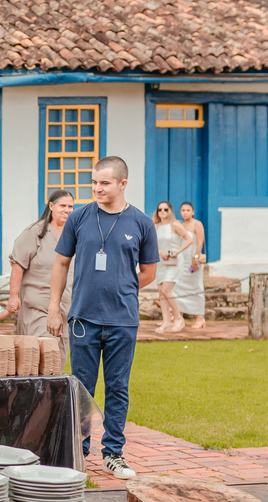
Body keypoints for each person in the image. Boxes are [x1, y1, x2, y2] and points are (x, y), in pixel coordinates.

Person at [48, 156, 158, 480]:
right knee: (81, 389)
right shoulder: (79, 217)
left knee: (118, 388)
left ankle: (113, 453)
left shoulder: (142, 223)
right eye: (94, 182)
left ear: (122, 184)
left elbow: (149, 272)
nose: (97, 188)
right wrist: (54, 307)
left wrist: (121, 287)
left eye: (104, 183)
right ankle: (77, 452)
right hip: (83, 317)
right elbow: (61, 264)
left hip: (123, 320)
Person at [8, 189, 74, 357]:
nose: (67, 210)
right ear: (51, 206)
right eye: (63, 206)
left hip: (66, 308)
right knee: (43, 352)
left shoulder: (74, 234)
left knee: (59, 357)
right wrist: (14, 296)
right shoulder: (35, 233)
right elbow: (18, 264)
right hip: (37, 305)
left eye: (71, 207)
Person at [151, 201, 193, 333]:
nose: (162, 212)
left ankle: (178, 318)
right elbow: (151, 244)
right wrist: (160, 253)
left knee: (166, 290)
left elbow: (189, 239)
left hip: (174, 261)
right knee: (161, 291)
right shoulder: (155, 226)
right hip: (160, 261)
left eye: (165, 209)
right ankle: (166, 321)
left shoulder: (175, 225)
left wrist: (178, 251)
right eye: (160, 209)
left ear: (170, 211)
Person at [174, 201, 207, 328]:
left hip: (193, 259)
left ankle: (200, 318)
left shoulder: (197, 224)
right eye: (183, 210)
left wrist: (196, 259)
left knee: (196, 286)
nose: (185, 213)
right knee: (178, 287)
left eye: (188, 210)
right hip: (182, 260)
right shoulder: (180, 225)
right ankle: (178, 316)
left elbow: (200, 242)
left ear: (192, 212)